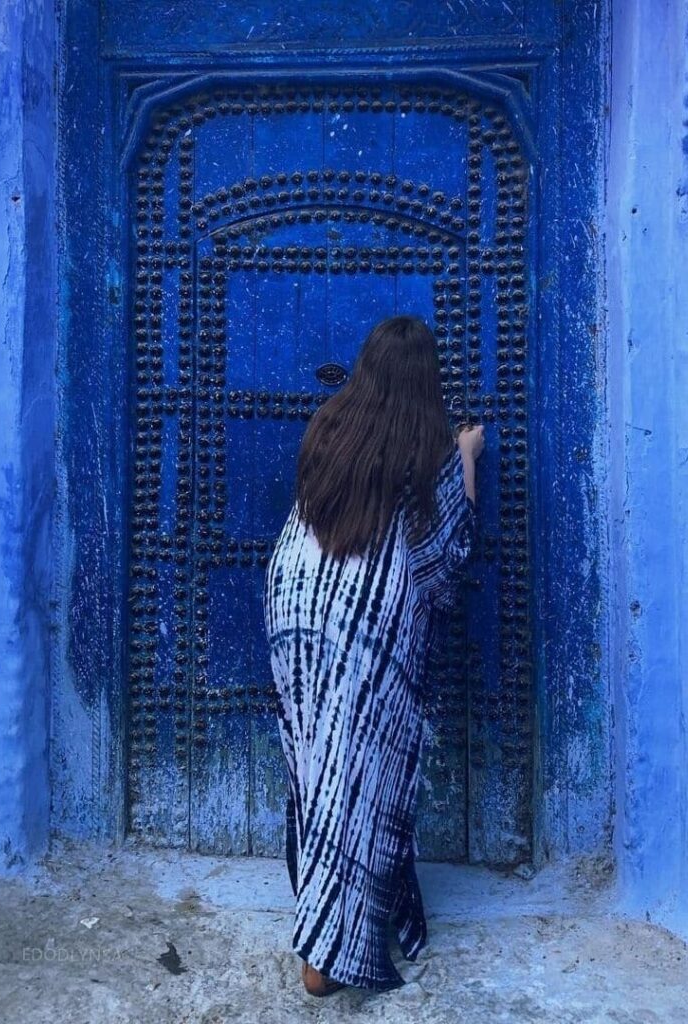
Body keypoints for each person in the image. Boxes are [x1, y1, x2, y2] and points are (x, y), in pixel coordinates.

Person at [262, 314, 484, 996]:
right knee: (355, 778)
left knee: (320, 772)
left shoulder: (330, 424)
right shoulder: (428, 450)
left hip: (293, 602)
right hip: (363, 622)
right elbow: (447, 558)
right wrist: (468, 456)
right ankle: (326, 960)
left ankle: (332, 915)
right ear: (425, 383)